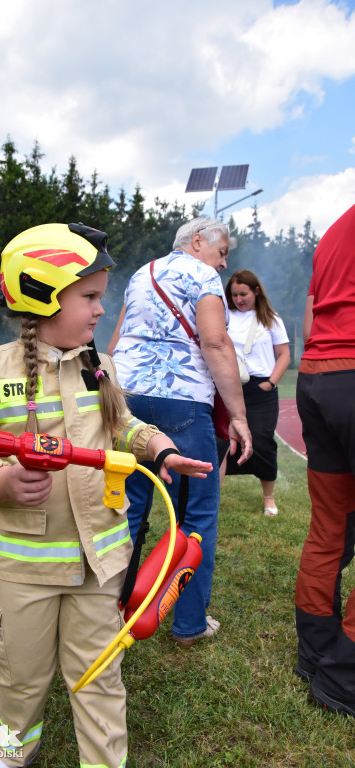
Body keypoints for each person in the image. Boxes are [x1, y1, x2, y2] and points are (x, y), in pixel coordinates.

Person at [0, 222, 213, 768]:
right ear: (41, 292)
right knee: (21, 674)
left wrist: (160, 449)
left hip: (100, 563)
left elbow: (124, 425)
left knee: (100, 675)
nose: (99, 312)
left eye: (100, 299)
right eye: (89, 297)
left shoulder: (99, 366)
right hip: (24, 569)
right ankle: (14, 752)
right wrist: (0, 481)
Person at [108, 216, 252, 649]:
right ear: (197, 242)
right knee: (197, 515)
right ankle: (188, 622)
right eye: (222, 252)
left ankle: (110, 613)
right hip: (182, 402)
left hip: (127, 398)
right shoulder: (202, 274)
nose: (224, 264)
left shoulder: (141, 273)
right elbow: (215, 342)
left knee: (129, 510)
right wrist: (240, 417)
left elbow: (116, 343)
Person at [294, 204, 355, 717]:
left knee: (329, 527)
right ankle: (346, 677)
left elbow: (313, 312)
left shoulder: (335, 227)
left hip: (319, 372)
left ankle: (314, 654)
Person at [219, 270, 290, 516]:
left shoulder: (271, 319)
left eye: (244, 294)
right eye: (234, 294)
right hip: (228, 386)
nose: (239, 299)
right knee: (222, 442)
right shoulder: (223, 316)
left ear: (256, 291)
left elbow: (284, 355)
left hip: (261, 390)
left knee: (262, 441)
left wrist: (270, 383)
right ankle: (213, 496)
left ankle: (268, 498)